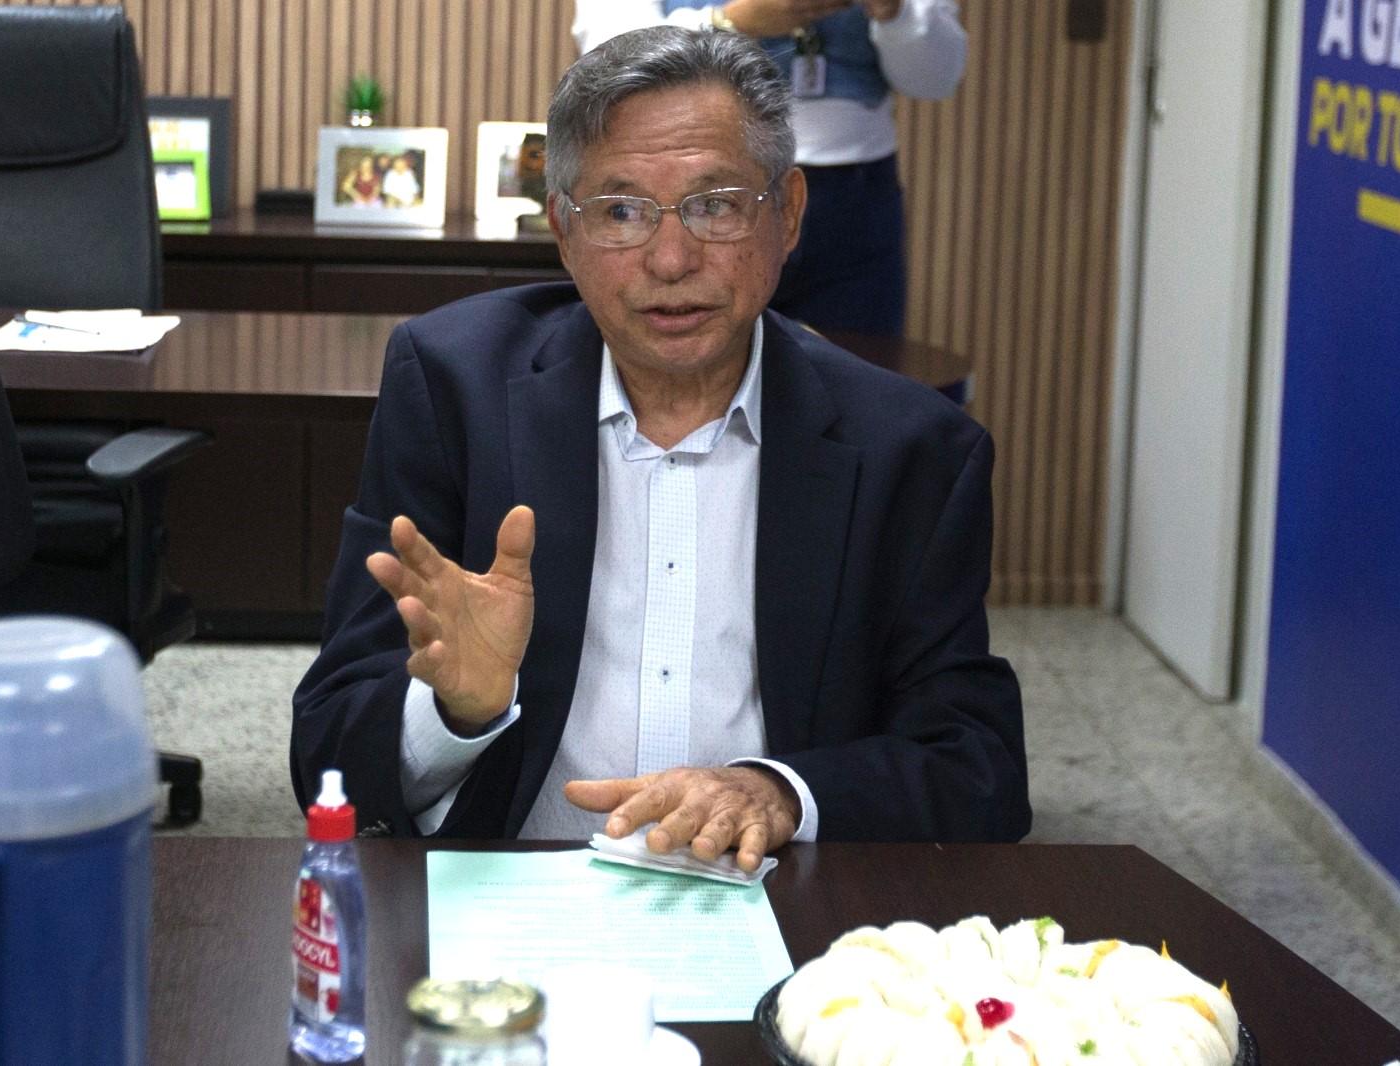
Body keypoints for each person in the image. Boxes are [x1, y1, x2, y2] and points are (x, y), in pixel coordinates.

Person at [290, 26, 1027, 869]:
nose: (671, 259)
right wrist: (457, 709)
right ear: (564, 233)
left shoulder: (913, 450)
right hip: (517, 899)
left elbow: (982, 773)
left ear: (787, 215)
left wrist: (781, 792)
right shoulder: (455, 389)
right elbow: (325, 758)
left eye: (715, 205)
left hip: (777, 902)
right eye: (622, 213)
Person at [572, 0, 966, 338]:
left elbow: (937, 80)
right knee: (690, 373)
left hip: (854, 196)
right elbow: (607, 55)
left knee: (855, 388)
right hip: (695, 187)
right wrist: (731, 24)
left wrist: (895, 13)